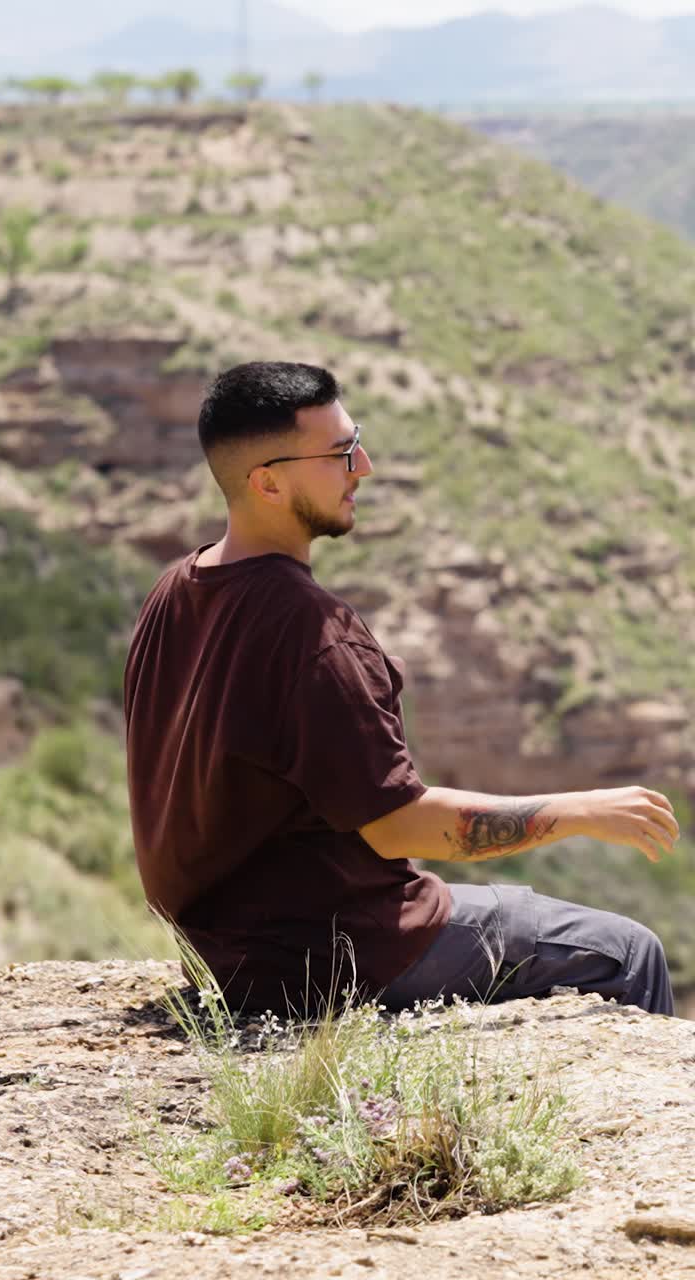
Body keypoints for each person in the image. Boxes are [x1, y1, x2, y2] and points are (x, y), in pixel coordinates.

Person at [123, 361, 678, 1019]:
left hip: (225, 948)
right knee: (629, 953)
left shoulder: (174, 590)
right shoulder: (313, 634)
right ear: (268, 482)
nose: (366, 467)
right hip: (337, 956)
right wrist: (580, 812)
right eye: (340, 455)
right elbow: (404, 826)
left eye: (355, 443)